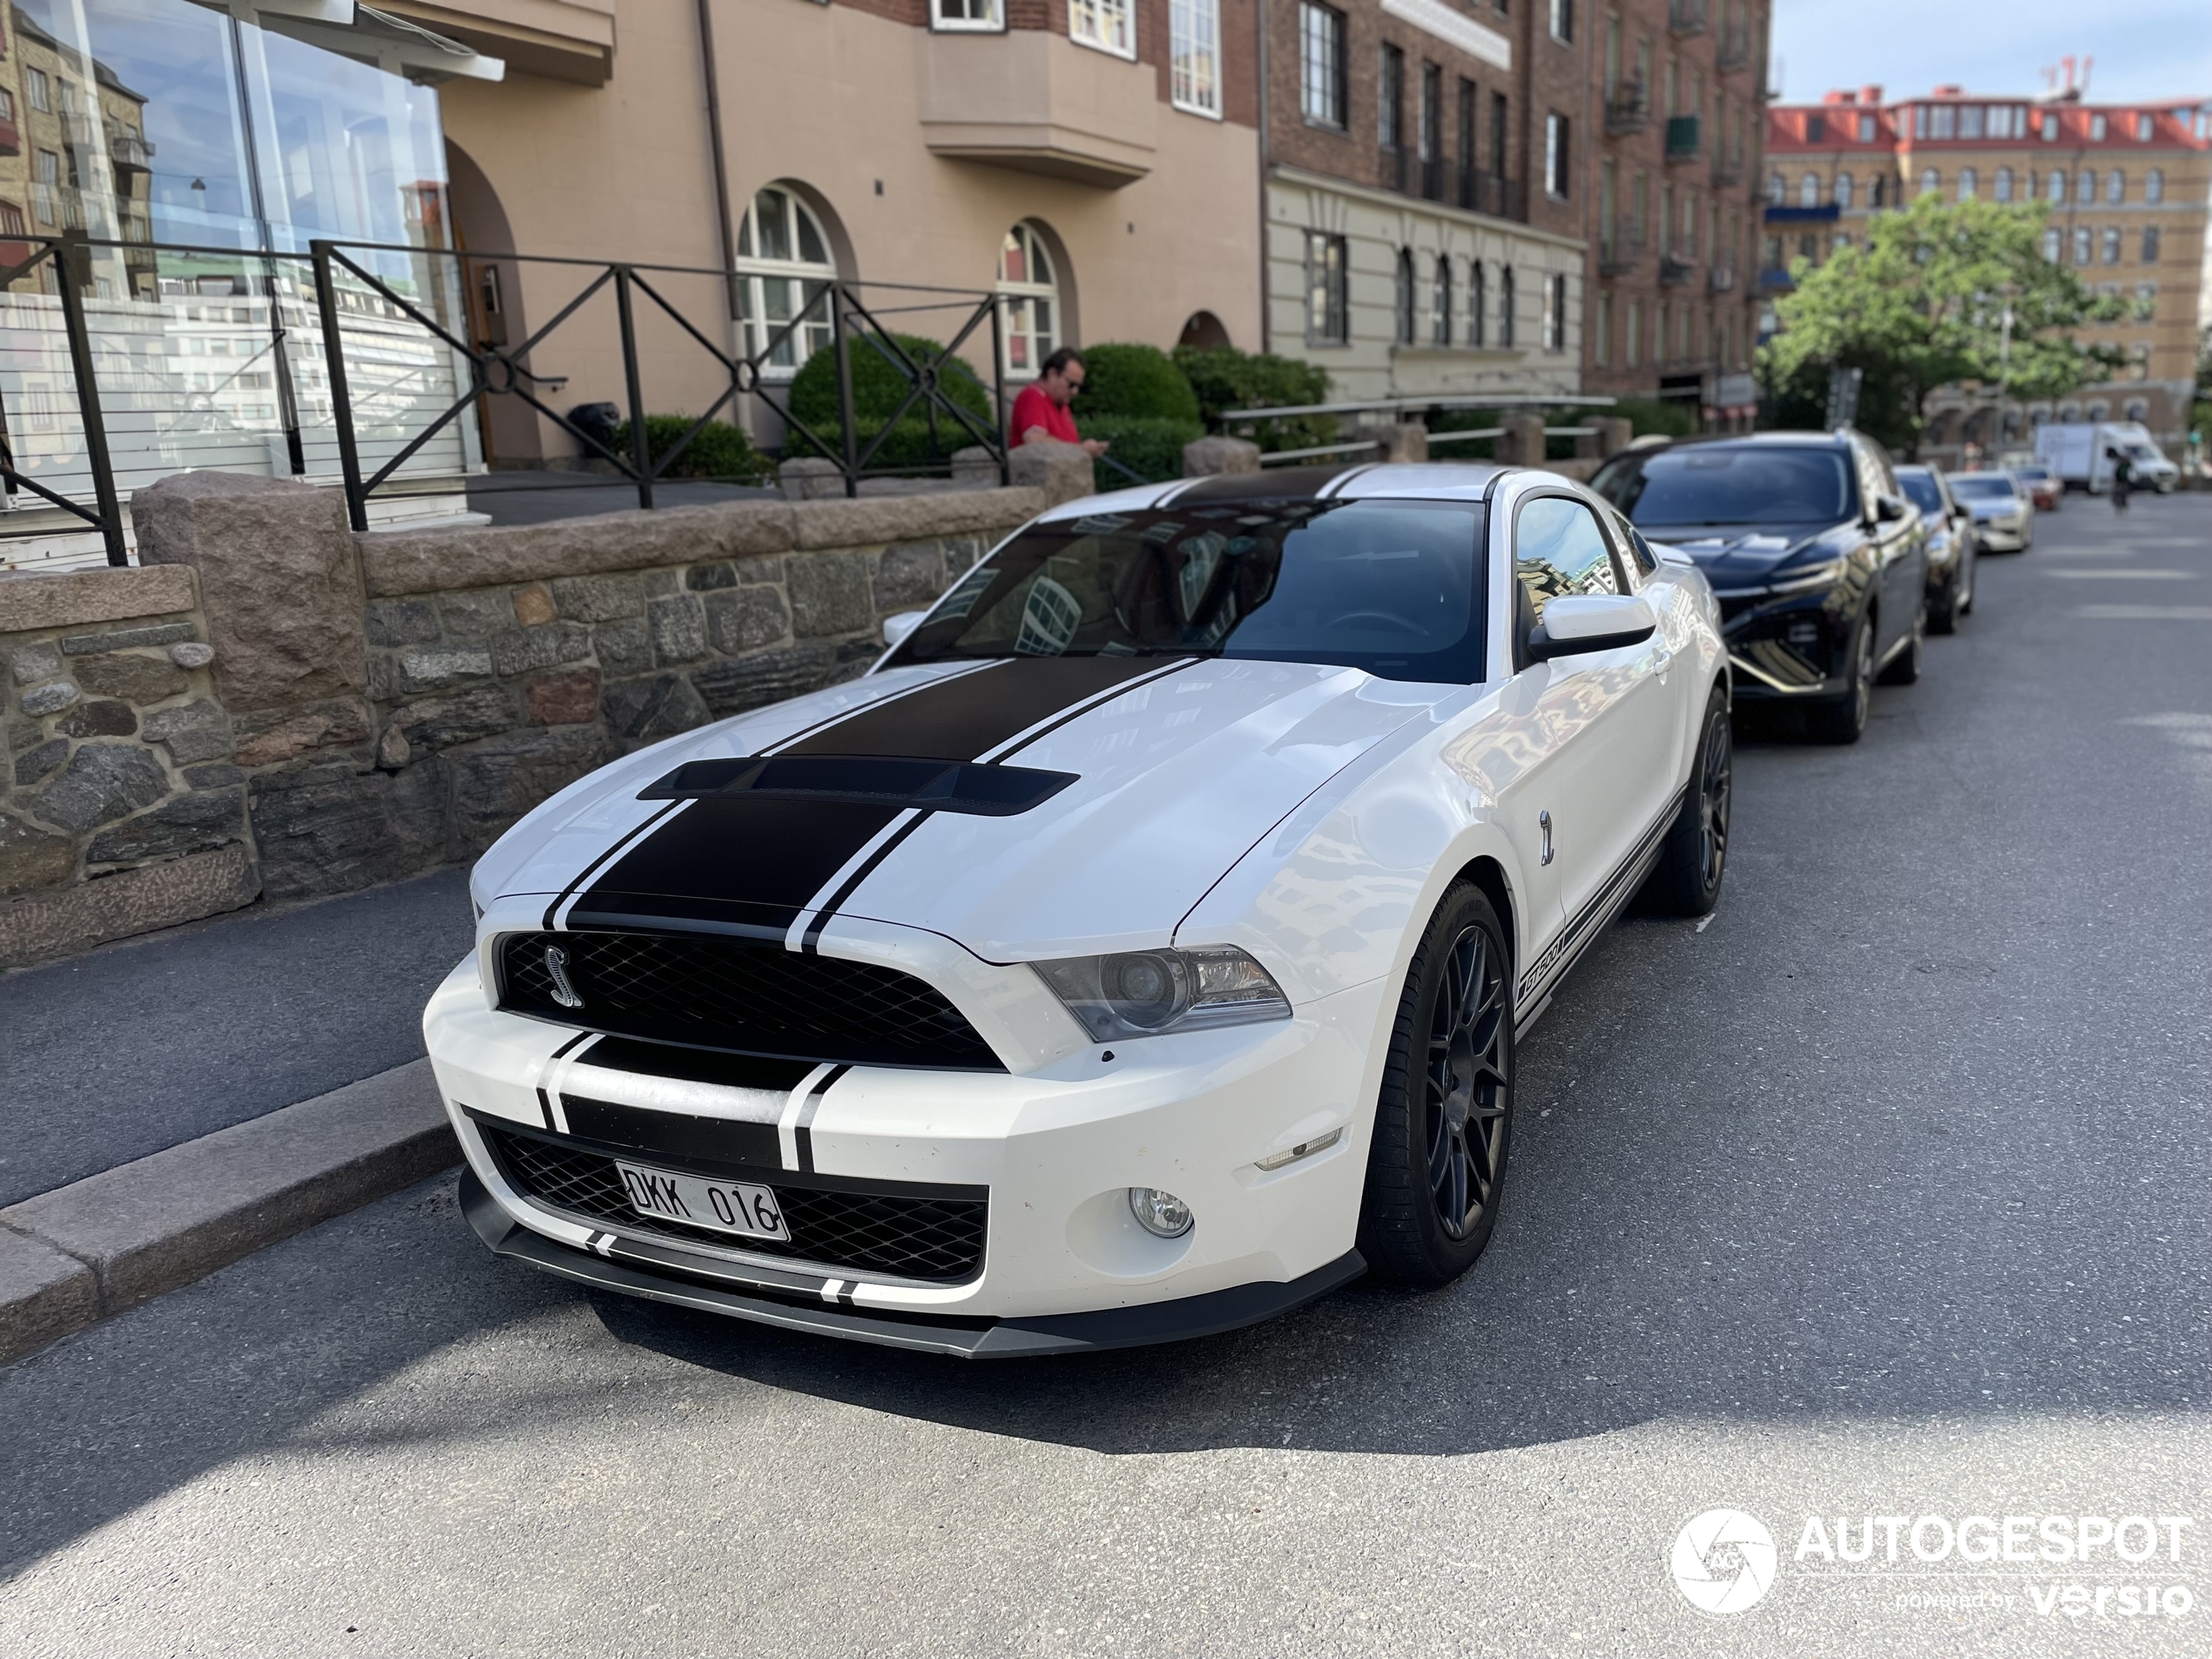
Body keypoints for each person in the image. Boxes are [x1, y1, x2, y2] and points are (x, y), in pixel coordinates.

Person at [1008, 348, 1109, 459]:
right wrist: (1079, 450)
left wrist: (1082, 450)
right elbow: (1035, 441)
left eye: (1078, 386)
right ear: (1052, 374)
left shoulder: (1061, 404)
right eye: (1071, 384)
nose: (1074, 391)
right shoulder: (1032, 396)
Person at [2108, 446, 2133, 515]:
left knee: (2124, 494)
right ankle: (2118, 505)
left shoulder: (2128, 465)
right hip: (2120, 480)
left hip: (2125, 480)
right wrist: (2115, 479)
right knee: (2118, 493)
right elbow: (2116, 473)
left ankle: (2124, 505)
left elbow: (2132, 472)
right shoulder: (2120, 465)